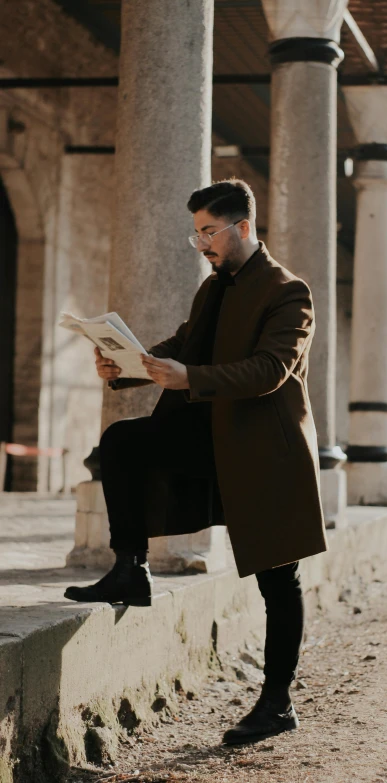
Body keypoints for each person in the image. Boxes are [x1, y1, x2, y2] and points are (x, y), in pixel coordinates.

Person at [64, 179, 327, 745]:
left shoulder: (289, 291)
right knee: (124, 443)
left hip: (264, 453)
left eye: (209, 231)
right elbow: (185, 343)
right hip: (208, 438)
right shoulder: (212, 289)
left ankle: (277, 702)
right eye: (197, 233)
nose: (202, 242)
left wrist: (191, 379)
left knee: (279, 579)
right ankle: (129, 570)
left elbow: (269, 370)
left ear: (244, 228)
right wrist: (128, 365)